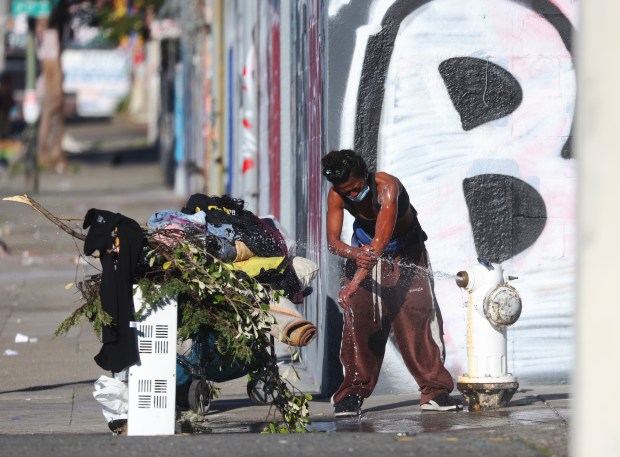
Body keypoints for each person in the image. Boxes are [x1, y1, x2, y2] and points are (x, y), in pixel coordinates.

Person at [322, 149, 462, 416]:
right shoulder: (337, 194)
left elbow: (380, 244)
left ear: (366, 174)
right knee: (360, 319)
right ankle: (351, 394)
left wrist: (352, 285)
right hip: (364, 249)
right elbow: (333, 243)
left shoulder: (388, 187)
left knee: (416, 316)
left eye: (356, 188)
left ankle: (435, 390)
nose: (352, 195)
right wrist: (355, 253)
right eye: (346, 191)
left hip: (405, 251)